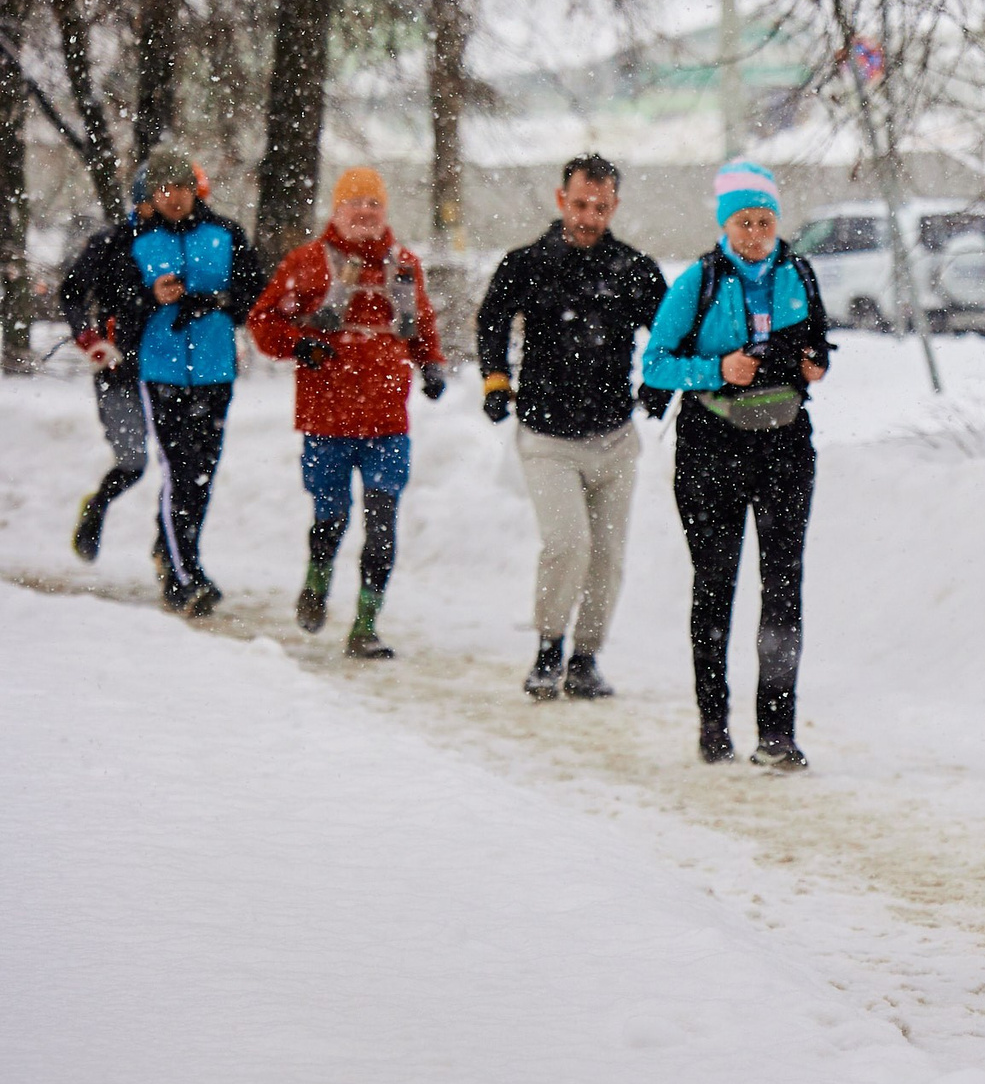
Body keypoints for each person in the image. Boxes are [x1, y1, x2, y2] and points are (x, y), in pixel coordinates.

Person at [641, 161, 833, 769]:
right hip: (710, 448)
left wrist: (813, 366)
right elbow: (654, 364)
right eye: (744, 222)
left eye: (766, 220)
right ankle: (713, 721)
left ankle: (777, 731)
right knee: (716, 584)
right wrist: (714, 369)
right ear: (725, 224)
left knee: (783, 587)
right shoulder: (697, 281)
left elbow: (818, 345)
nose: (756, 233)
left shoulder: (798, 272)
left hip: (784, 444)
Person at [476, 154, 669, 699]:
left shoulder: (632, 269)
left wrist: (659, 384)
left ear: (615, 206)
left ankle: (585, 660)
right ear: (561, 199)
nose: (589, 216)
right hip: (547, 436)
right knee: (567, 545)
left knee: (607, 557)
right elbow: (491, 321)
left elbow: (669, 331)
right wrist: (495, 380)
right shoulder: (527, 264)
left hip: (612, 436)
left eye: (601, 207)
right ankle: (547, 650)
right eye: (580, 204)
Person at [247, 167, 446, 659]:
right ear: (336, 211)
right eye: (353, 204)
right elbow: (262, 321)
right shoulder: (307, 263)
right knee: (330, 519)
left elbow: (419, 324)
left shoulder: (404, 266)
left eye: (373, 205)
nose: (364, 213)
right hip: (326, 420)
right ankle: (317, 581)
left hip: (387, 421)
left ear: (385, 212)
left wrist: (432, 364)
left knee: (381, 526)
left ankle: (365, 625)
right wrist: (301, 346)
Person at [123, 146, 266, 615]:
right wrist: (150, 296)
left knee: (201, 474)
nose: (174, 197)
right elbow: (119, 308)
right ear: (152, 194)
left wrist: (217, 300)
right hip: (161, 371)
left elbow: (254, 296)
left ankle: (172, 551)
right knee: (179, 469)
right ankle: (186, 575)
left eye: (182, 187)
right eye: (164, 189)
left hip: (214, 370)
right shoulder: (137, 240)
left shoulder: (225, 234)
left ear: (195, 189)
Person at [61, 184, 153, 563]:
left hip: (172, 375)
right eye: (158, 194)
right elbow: (71, 292)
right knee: (133, 462)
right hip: (116, 369)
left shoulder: (188, 246)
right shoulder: (110, 243)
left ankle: (170, 551)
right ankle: (96, 507)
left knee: (181, 471)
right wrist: (88, 337)